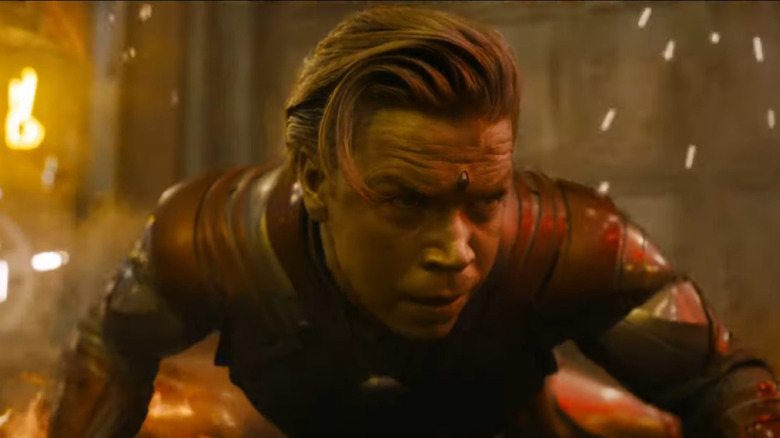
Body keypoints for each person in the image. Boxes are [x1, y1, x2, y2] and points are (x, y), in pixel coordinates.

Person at [49, 4, 780, 438]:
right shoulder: (207, 241)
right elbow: (107, 357)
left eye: (484, 202)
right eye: (405, 203)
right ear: (315, 181)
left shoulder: (577, 243)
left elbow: (724, 384)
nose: (455, 251)